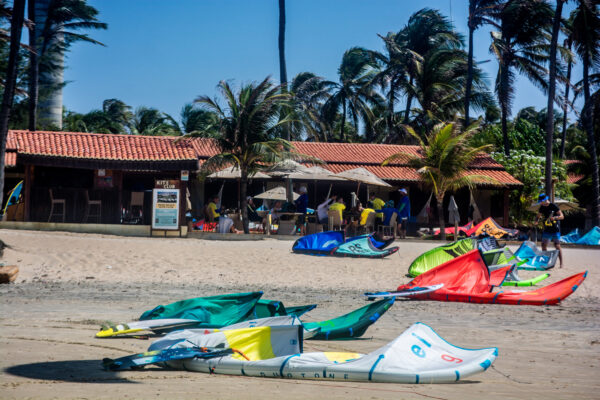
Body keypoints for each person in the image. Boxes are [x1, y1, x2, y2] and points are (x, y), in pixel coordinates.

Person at [535, 193, 564, 268]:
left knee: (557, 246)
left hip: (555, 229)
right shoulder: (542, 207)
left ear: (545, 200)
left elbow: (562, 216)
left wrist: (555, 218)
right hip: (547, 229)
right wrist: (536, 221)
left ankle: (561, 264)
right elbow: (538, 216)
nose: (540, 203)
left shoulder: (553, 206)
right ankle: (545, 261)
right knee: (543, 245)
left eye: (541, 201)